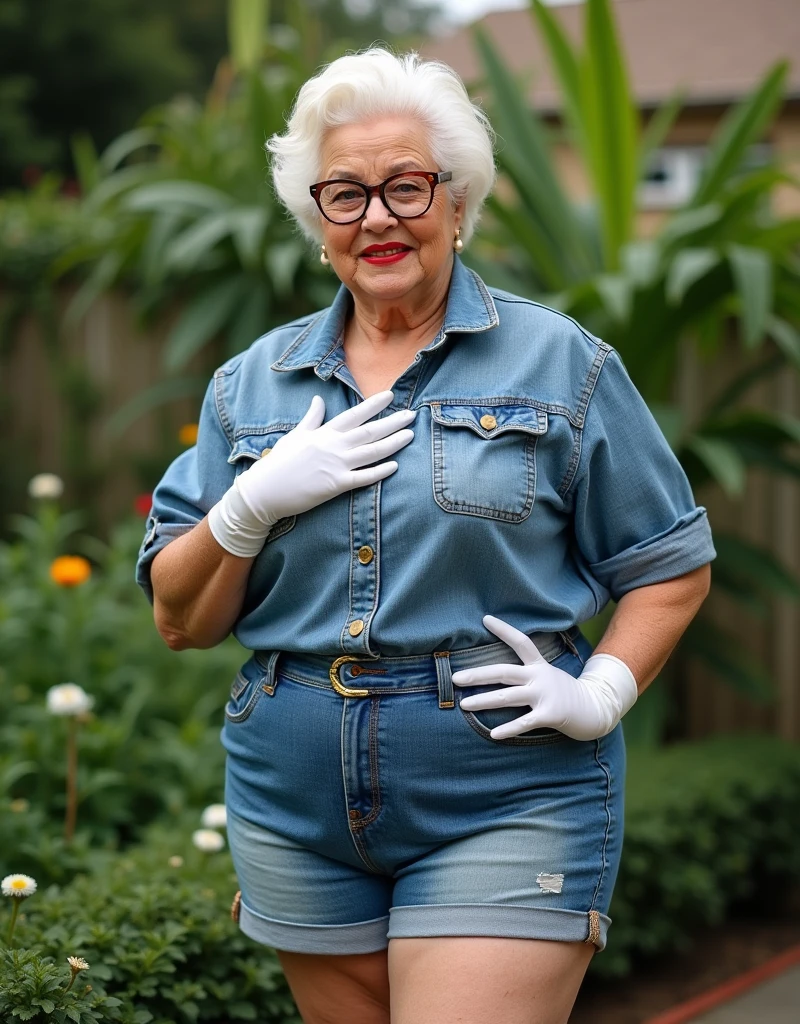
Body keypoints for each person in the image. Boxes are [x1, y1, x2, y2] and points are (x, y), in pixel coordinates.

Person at [136, 48, 715, 1024]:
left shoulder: (559, 363)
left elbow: (669, 566)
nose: (376, 217)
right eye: (344, 194)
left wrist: (601, 691)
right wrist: (244, 509)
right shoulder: (250, 386)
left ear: (455, 202)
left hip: (505, 786)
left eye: (405, 186)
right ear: (316, 221)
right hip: (294, 801)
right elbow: (179, 620)